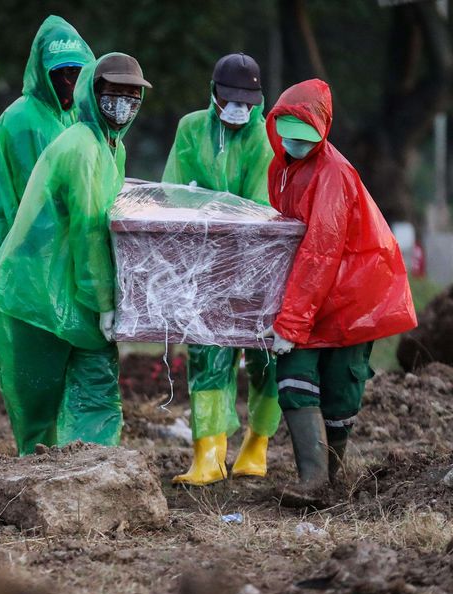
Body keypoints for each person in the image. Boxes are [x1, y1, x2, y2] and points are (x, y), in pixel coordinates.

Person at [0, 53, 150, 454]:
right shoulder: (82, 148)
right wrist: (105, 301)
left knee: (96, 387)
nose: (123, 104)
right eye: (113, 93)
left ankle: (94, 475)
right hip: (36, 292)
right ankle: (34, 485)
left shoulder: (112, 146)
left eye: (132, 96)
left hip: (74, 288)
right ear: (93, 93)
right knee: (38, 404)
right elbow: (89, 231)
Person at [262, 79, 417, 506]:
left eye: (304, 136)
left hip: (353, 297)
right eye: (288, 134)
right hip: (313, 295)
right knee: (295, 378)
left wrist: (291, 320)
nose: (295, 143)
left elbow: (320, 252)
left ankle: (331, 480)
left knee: (340, 390)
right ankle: (313, 481)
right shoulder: (282, 168)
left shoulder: (333, 174)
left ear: (323, 131)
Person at [0, 17, 94, 430]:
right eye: (62, 74)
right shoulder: (23, 121)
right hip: (16, 261)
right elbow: (37, 207)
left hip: (51, 260)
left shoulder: (76, 119)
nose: (71, 83)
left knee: (62, 359)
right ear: (43, 74)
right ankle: (35, 454)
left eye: (79, 73)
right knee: (28, 367)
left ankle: (62, 454)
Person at [162, 53, 279, 486]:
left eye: (246, 101)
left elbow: (260, 207)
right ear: (214, 94)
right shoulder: (191, 128)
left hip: (257, 264)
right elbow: (173, 192)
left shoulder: (264, 138)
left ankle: (257, 443)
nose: (237, 109)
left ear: (257, 99)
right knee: (207, 352)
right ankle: (208, 452)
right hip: (202, 263)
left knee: (266, 357)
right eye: (229, 99)